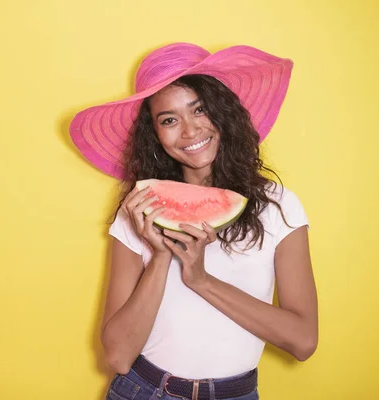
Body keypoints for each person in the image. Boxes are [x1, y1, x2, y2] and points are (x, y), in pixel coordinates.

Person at [69, 42, 318, 400]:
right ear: (154, 134)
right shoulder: (138, 210)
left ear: (223, 112)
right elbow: (119, 356)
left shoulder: (279, 207)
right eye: (169, 119)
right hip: (144, 390)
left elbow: (303, 341)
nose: (189, 131)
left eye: (199, 110)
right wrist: (159, 258)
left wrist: (199, 279)